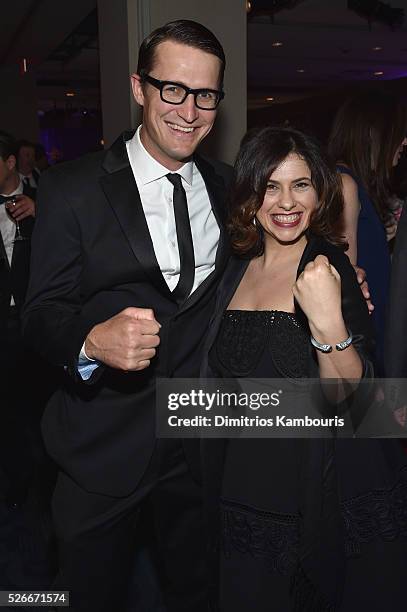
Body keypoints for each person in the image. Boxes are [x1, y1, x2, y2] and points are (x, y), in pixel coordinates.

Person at [22, 20, 232, 612]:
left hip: (199, 441)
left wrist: (338, 287)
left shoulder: (230, 186)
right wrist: (90, 341)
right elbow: (40, 314)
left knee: (199, 592)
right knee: (82, 596)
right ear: (140, 88)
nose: (190, 110)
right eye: (173, 89)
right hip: (101, 446)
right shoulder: (73, 188)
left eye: (206, 94)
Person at [201, 126, 407, 612]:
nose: (285, 202)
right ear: (251, 195)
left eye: (300, 185)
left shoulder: (328, 268)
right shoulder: (232, 266)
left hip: (310, 489)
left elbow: (352, 399)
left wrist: (327, 318)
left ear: (320, 192)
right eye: (270, 186)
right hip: (240, 483)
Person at [328, 92, 407, 373]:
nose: (404, 142)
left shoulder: (354, 181)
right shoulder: (344, 182)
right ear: (373, 135)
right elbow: (348, 278)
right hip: (366, 328)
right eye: (399, 133)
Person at [0, 130, 37, 507]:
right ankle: (16, 480)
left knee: (40, 401)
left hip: (34, 319)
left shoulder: (49, 197)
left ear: (11, 163)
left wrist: (39, 212)